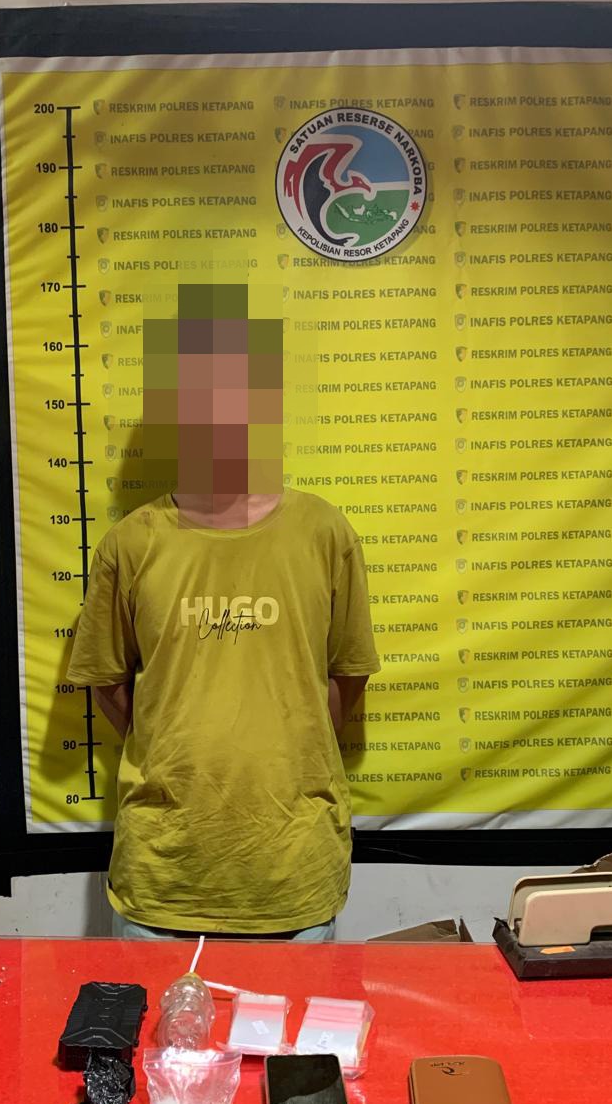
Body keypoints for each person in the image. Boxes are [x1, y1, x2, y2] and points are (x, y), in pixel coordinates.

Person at [67, 283, 380, 940]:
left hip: (293, 875)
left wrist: (288, 755)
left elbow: (346, 677)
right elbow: (106, 680)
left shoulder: (323, 532)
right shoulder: (131, 543)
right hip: (162, 879)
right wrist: (174, 750)